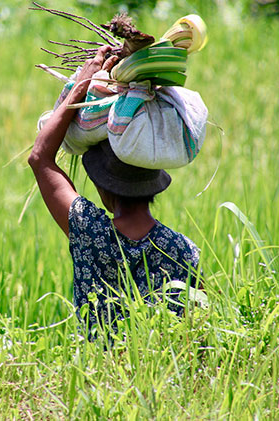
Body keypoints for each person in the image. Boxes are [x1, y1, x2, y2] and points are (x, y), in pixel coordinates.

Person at [28, 45, 201, 338]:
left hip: (98, 381)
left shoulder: (89, 233)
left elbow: (40, 157)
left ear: (102, 186)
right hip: (163, 380)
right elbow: (198, 337)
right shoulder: (184, 251)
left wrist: (80, 86)